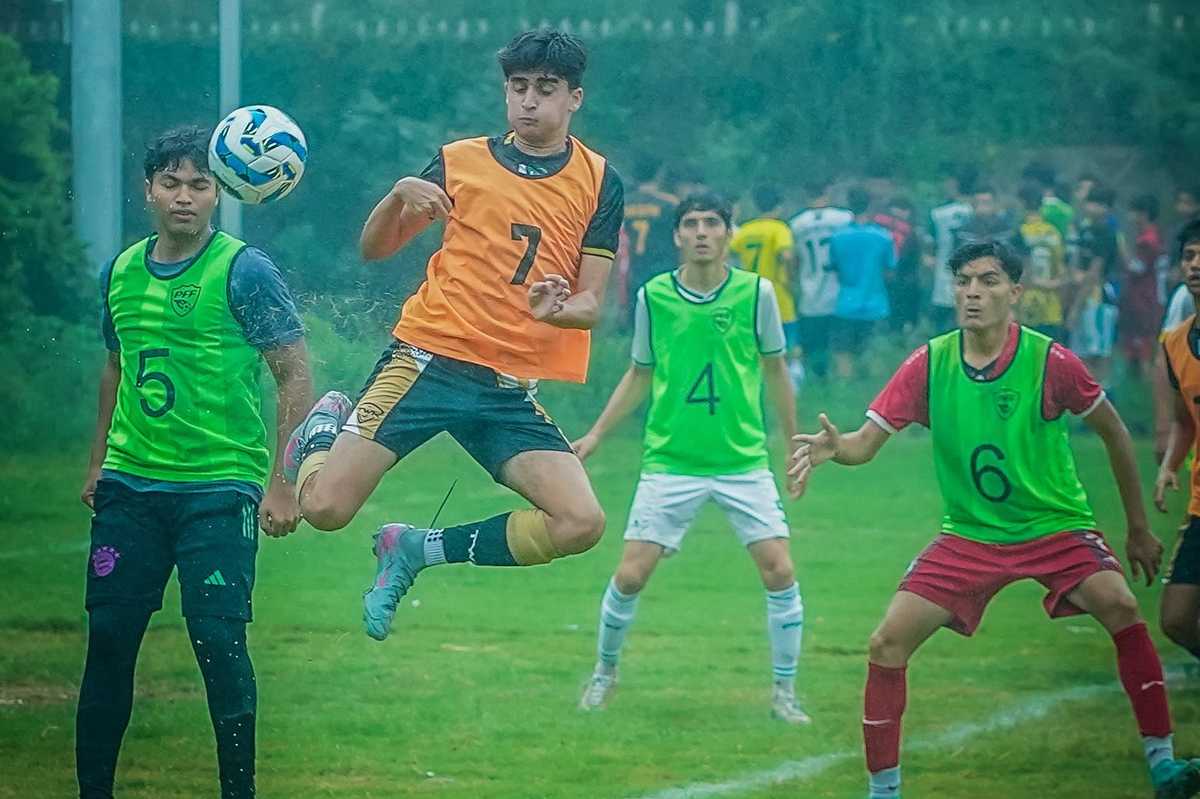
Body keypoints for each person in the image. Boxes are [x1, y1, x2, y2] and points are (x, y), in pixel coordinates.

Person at [790, 240, 1200, 799]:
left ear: (1015, 292)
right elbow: (864, 444)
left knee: (1121, 605)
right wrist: (835, 448)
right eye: (963, 281)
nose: (973, 293)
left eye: (987, 281)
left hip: (1054, 526)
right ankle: (882, 792)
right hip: (970, 536)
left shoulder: (1050, 361)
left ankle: (1163, 765)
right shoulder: (929, 362)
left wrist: (1137, 528)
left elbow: (1114, 432)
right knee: (887, 642)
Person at [283, 30, 623, 642]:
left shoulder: (600, 181)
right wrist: (397, 195)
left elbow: (591, 304)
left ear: (575, 98)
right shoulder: (459, 160)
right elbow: (375, 249)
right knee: (325, 510)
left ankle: (416, 549)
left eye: (545, 89)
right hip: (429, 360)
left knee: (580, 522)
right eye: (518, 87)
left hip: (505, 387)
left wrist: (557, 310)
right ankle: (320, 435)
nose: (528, 101)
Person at [76, 125, 313, 799]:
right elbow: (117, 367)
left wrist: (282, 481)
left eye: (199, 185)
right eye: (171, 183)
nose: (185, 196)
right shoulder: (120, 272)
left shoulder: (245, 270)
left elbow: (294, 373)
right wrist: (97, 462)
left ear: (219, 193)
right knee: (109, 639)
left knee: (218, 643)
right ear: (148, 191)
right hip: (130, 487)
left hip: (219, 489)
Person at [572, 192, 807, 722]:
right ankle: (604, 675)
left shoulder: (757, 294)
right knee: (631, 575)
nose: (702, 232)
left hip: (742, 460)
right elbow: (640, 373)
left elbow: (775, 368)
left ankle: (785, 694)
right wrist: (597, 434)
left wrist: (794, 441)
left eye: (712, 223)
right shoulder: (654, 296)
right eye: (692, 224)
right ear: (677, 236)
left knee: (779, 569)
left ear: (729, 233)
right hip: (670, 460)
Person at [1154, 221, 1200, 665]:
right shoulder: (1175, 342)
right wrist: (1170, 465)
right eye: (1189, 256)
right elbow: (1185, 419)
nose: (1196, 265)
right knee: (1177, 619)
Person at [730, 185, 802, 384]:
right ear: (779, 206)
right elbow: (786, 255)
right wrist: (791, 279)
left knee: (757, 341)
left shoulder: (745, 230)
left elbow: (729, 254)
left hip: (750, 293)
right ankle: (791, 382)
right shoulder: (779, 229)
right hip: (778, 292)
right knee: (788, 341)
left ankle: (761, 382)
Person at [788, 175, 853, 380]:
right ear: (828, 191)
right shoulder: (844, 218)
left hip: (811, 291)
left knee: (815, 347)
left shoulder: (797, 223)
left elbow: (795, 259)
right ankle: (843, 381)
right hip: (839, 290)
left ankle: (818, 380)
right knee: (842, 345)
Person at [829, 186, 896, 379]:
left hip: (846, 303)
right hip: (876, 304)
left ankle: (845, 387)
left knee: (843, 352)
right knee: (874, 352)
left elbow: (835, 268)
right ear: (870, 205)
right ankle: (872, 388)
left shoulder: (837, 237)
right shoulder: (883, 237)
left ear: (849, 205)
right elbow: (890, 270)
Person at [1071, 184, 1122, 388]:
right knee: (1082, 353)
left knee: (1100, 352)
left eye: (1098, 204)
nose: (1091, 207)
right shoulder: (1084, 231)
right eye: (1090, 202)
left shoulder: (1107, 234)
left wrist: (1075, 308)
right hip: (1081, 295)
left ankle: (1105, 395)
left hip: (1098, 298)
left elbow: (1095, 272)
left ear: (1107, 208)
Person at [621, 155, 679, 322]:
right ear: (659, 174)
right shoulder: (670, 205)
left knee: (635, 323)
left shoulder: (623, 203)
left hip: (632, 269)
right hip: (663, 268)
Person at [1012, 181, 1068, 341]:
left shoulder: (1019, 233)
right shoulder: (1053, 232)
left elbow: (1020, 273)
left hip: (1026, 306)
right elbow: (1062, 272)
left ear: (1021, 203)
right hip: (1051, 307)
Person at [925, 165, 975, 333]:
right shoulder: (978, 211)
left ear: (953, 183)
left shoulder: (938, 213)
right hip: (974, 276)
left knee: (942, 328)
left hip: (944, 275)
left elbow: (929, 247)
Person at [1123, 195, 1166, 378]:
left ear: (1144, 214)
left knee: (1144, 345)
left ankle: (1148, 384)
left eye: (1133, 212)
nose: (1130, 217)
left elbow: (1137, 268)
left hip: (1144, 299)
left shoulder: (1147, 240)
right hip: (1149, 298)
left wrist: (1122, 251)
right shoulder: (1154, 235)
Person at [872, 196, 921, 335]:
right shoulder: (909, 230)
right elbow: (913, 258)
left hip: (877, 273)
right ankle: (898, 331)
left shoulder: (877, 223)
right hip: (900, 275)